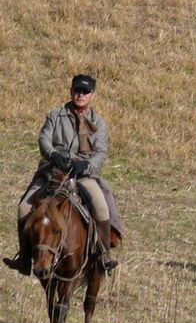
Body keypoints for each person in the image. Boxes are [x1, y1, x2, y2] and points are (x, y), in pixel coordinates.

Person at [3, 74, 119, 275]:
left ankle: (103, 255)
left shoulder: (98, 122)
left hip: (83, 174)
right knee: (23, 207)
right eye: (77, 90)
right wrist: (54, 155)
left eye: (85, 92)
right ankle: (24, 257)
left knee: (101, 208)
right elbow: (44, 139)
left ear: (92, 95)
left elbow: (101, 151)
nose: (80, 95)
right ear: (71, 91)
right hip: (54, 171)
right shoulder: (56, 115)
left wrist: (87, 165)